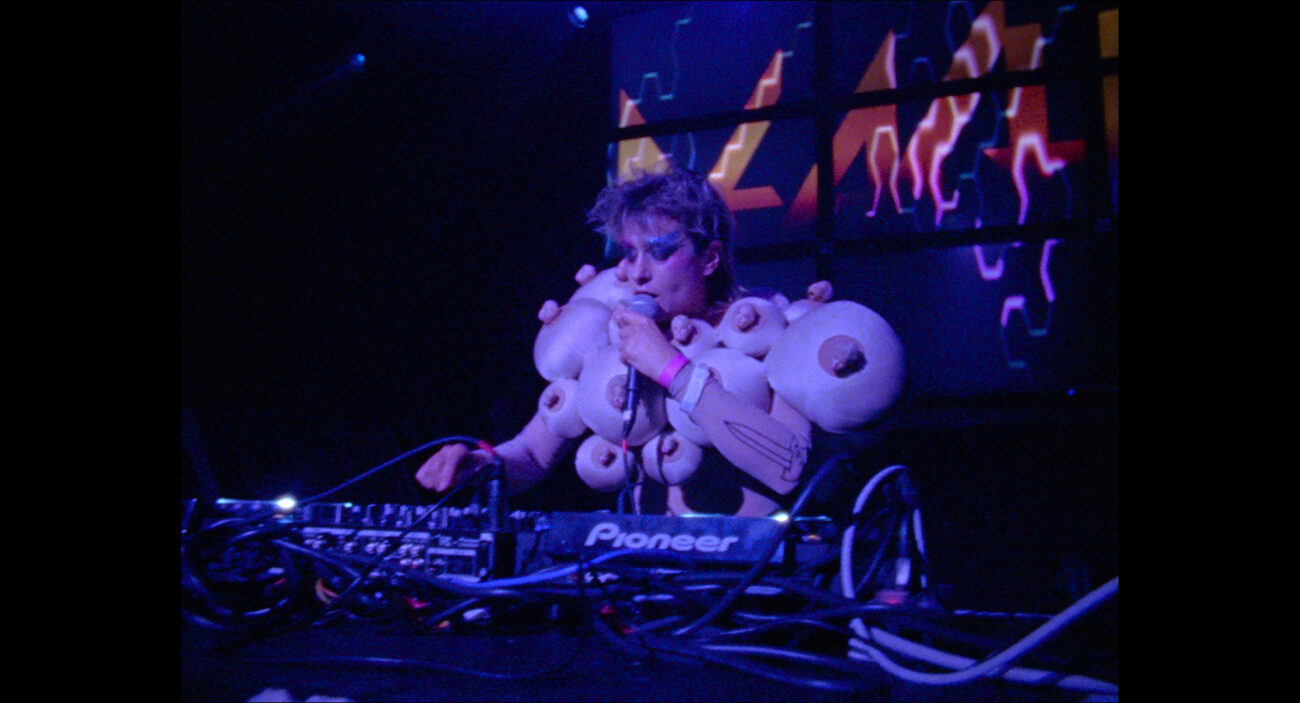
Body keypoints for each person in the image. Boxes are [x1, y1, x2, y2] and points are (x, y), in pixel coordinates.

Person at [415, 165, 813, 517]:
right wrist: (482, 465)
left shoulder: (768, 333)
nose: (639, 273)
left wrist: (672, 370)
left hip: (755, 566)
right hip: (643, 563)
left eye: (660, 252)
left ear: (709, 258)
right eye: (630, 254)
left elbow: (789, 467)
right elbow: (533, 454)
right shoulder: (614, 339)